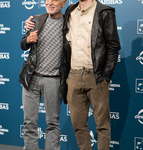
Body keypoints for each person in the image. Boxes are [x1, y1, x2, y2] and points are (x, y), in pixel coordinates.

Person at [26, 0, 121, 149]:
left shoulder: (104, 12)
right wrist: (32, 22)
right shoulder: (71, 11)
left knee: (102, 125)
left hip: (96, 76)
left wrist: (106, 76)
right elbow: (52, 18)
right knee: (78, 125)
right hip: (74, 76)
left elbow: (113, 46)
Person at [19, 0, 69, 149]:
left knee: (53, 123)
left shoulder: (69, 23)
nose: (50, 2)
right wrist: (28, 39)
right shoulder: (36, 19)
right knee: (29, 123)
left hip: (54, 81)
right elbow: (23, 44)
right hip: (31, 78)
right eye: (48, 0)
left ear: (64, 2)